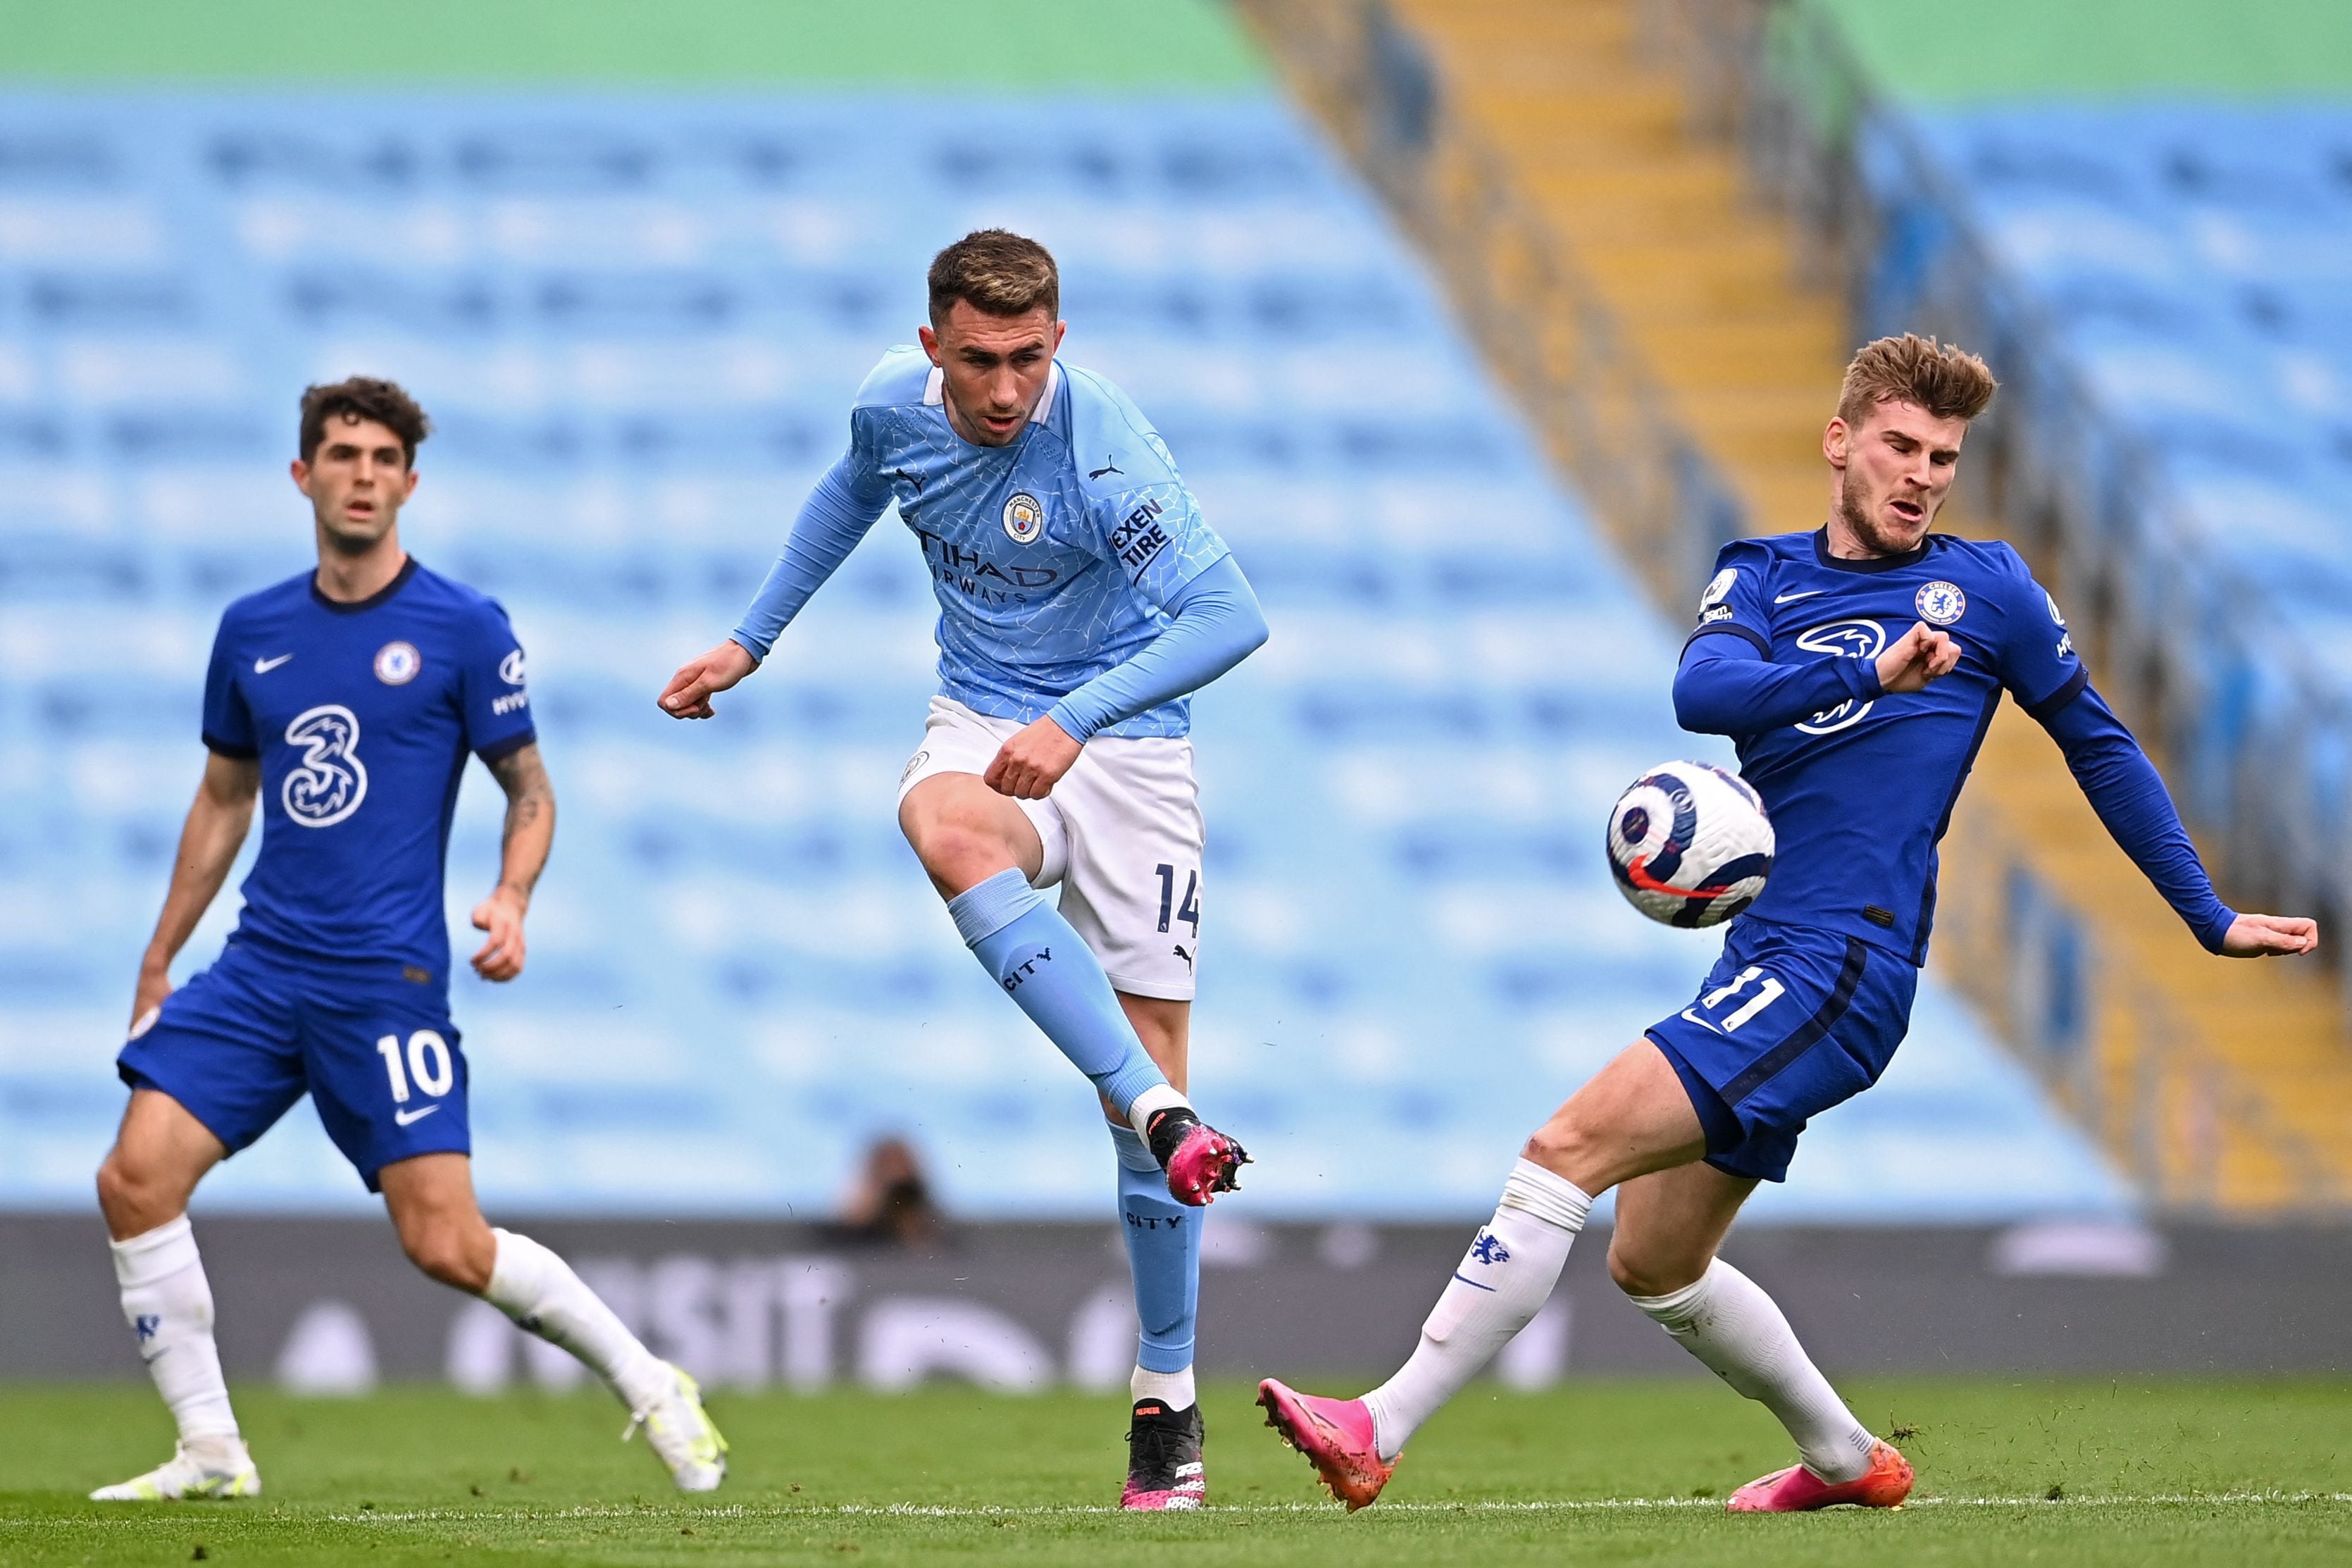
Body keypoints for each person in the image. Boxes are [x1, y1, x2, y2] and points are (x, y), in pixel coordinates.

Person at [1257, 334, 2319, 1512]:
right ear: (1841, 441)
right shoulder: (1760, 576)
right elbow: (1701, 693)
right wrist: (1871, 676)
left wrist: (2206, 914)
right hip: (1767, 950)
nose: (1923, 475)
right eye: (1902, 447)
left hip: (1847, 958)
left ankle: (1380, 1422)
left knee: (1566, 1147)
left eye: (1945, 457)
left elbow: (2099, 745)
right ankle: (1848, 1460)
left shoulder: (1990, 591)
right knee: (1652, 1259)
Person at [660, 229, 1269, 1510]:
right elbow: (847, 492)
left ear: (1061, 342)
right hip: (987, 716)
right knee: (940, 827)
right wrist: (748, 641)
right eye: (982, 361)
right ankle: (1161, 1110)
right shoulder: (893, 406)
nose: (1006, 391)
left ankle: (1167, 1398)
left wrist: (1080, 720)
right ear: (933, 346)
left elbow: (1231, 618)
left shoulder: (1102, 446)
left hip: (1131, 740)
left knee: (1138, 1100)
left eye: (1031, 360)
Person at [93, 379, 726, 1501]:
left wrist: (512, 897)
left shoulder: (463, 629)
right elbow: (222, 798)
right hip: (258, 970)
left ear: (410, 482)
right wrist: (158, 955)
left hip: (383, 981)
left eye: (384, 456)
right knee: (135, 1178)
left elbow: (530, 790)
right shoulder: (253, 630)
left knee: (445, 1242)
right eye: (341, 454)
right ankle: (211, 1450)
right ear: (304, 475)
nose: (363, 473)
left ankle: (649, 1381)